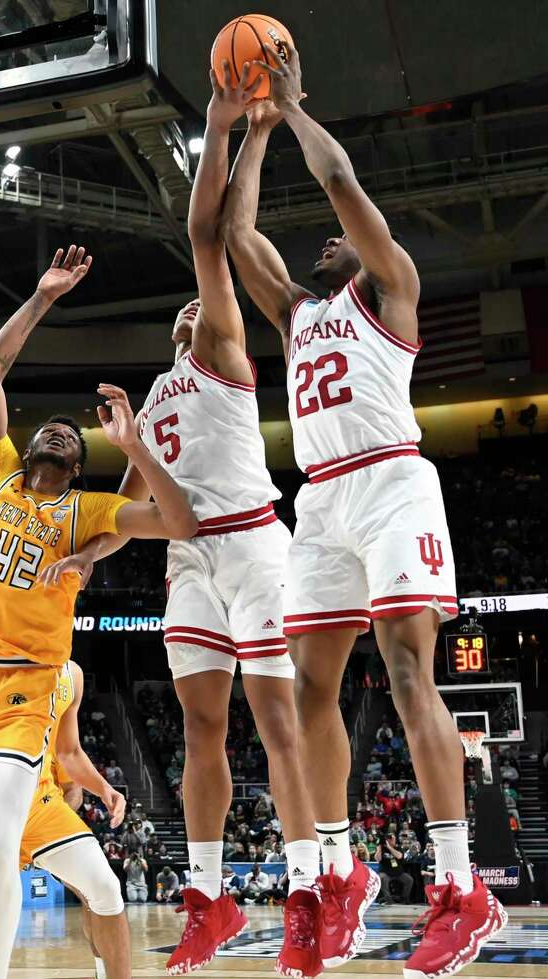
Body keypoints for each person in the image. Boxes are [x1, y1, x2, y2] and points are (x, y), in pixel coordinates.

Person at [221, 40, 507, 977]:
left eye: (341, 239)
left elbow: (340, 175)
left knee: (407, 671)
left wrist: (293, 105)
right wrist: (251, 134)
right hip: (322, 501)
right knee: (308, 689)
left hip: (390, 483)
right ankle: (339, 872)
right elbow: (234, 236)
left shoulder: (395, 290)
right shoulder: (301, 314)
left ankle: (462, 887)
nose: (327, 241)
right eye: (326, 246)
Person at [54, 66, 320, 979]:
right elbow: (138, 505)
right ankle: (209, 896)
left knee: (275, 721)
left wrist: (235, 129)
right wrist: (86, 555)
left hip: (250, 543)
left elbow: (208, 234)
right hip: (187, 565)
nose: (195, 310)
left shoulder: (220, 350)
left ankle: (308, 889)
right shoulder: (154, 398)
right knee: (201, 728)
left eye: (204, 304)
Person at [0, 245, 196, 979]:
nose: (59, 431)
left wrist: (135, 447)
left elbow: (180, 522)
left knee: (1, 849)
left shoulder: (88, 511)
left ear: (81, 464)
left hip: (25, 685)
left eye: (74, 434)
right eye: (51, 428)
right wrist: (42, 297)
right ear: (26, 446)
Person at [0, 661, 132, 979]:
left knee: (103, 888)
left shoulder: (72, 675)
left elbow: (70, 752)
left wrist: (105, 788)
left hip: (40, 804)